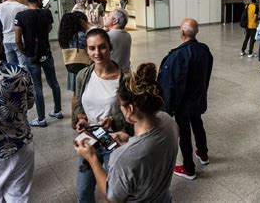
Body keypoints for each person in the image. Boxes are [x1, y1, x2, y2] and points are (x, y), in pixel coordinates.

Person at [75, 63, 179, 202]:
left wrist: (92, 158)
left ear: (129, 109)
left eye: (121, 106)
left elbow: (111, 197)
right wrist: (129, 141)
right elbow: (151, 148)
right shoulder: (169, 122)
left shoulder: (123, 158)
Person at [72, 28, 127, 202]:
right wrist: (80, 117)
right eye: (92, 48)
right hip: (90, 137)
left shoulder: (124, 79)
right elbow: (78, 102)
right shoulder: (83, 75)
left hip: (114, 140)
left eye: (102, 47)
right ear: (87, 50)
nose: (97, 53)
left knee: (113, 192)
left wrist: (113, 120)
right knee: (83, 192)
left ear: (110, 47)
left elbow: (133, 115)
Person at [158, 18, 213, 180]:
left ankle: (189, 169)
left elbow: (172, 85)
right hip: (198, 99)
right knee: (198, 124)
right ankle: (203, 154)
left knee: (184, 133)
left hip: (183, 104)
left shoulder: (177, 56)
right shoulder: (204, 49)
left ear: (182, 32)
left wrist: (168, 108)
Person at [0, 30, 35, 202]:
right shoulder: (19, 71)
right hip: (21, 143)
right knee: (19, 196)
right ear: (0, 45)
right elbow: (30, 103)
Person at [14, 0, 62, 127]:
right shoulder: (46, 13)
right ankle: (57, 111)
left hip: (31, 55)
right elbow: (49, 28)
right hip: (46, 52)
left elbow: (17, 37)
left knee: (37, 86)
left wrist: (22, 50)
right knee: (54, 82)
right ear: (39, 0)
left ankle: (41, 119)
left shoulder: (21, 15)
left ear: (27, 0)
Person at [58, 12, 90, 112]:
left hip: (72, 68)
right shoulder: (81, 35)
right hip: (84, 67)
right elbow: (89, 52)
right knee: (84, 94)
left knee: (76, 94)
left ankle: (74, 117)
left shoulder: (65, 36)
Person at [0, 0, 27, 65]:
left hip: (6, 40)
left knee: (12, 66)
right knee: (23, 66)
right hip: (20, 39)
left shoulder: (0, 7)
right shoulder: (23, 8)